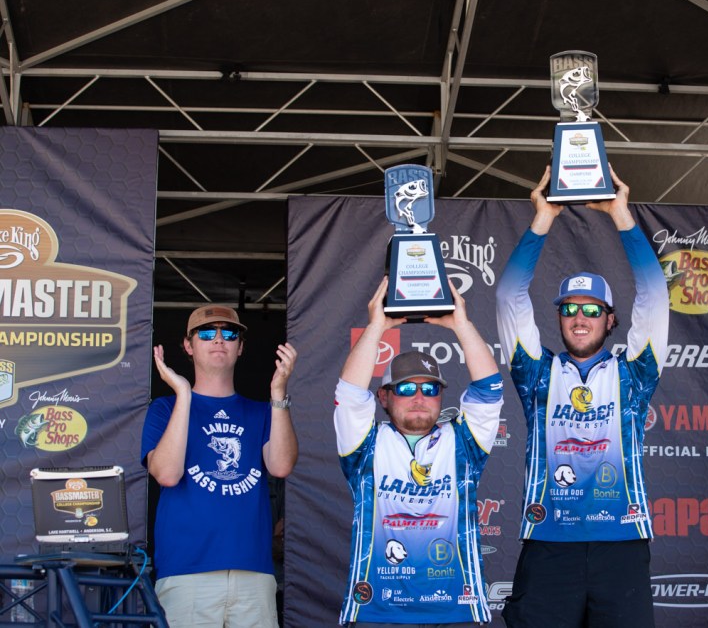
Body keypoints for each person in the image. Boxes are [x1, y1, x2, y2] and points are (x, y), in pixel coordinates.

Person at [494, 166, 669, 628]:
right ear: (559, 318)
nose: (579, 318)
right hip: (549, 543)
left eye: (593, 310)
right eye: (569, 308)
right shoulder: (537, 374)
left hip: (622, 545)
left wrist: (620, 214)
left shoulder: (634, 374)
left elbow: (654, 295)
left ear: (610, 320)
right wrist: (543, 218)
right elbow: (509, 296)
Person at [333, 277, 504, 626]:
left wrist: (461, 324)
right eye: (406, 388)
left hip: (456, 610)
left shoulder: (463, 443)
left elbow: (490, 389)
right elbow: (349, 394)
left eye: (430, 389)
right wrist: (376, 326)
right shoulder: (365, 445)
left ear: (441, 397)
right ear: (384, 397)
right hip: (378, 611)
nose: (419, 397)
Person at [142, 305, 298, 628]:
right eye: (205, 333)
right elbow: (167, 474)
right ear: (188, 345)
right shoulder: (165, 408)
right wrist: (183, 394)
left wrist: (278, 393)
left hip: (253, 571)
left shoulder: (262, 412)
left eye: (229, 333)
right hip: (186, 571)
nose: (218, 339)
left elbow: (281, 466)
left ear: (240, 348)